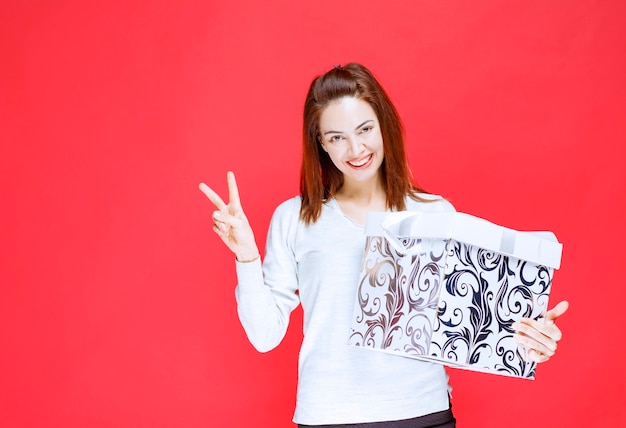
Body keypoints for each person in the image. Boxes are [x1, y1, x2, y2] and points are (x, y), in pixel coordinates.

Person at [199, 63, 569, 427]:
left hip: (422, 413)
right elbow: (265, 336)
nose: (355, 148)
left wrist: (532, 342)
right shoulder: (295, 219)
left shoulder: (435, 213)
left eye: (365, 129)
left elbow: (472, 323)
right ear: (321, 144)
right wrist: (246, 256)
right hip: (328, 416)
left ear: (384, 127)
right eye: (337, 137)